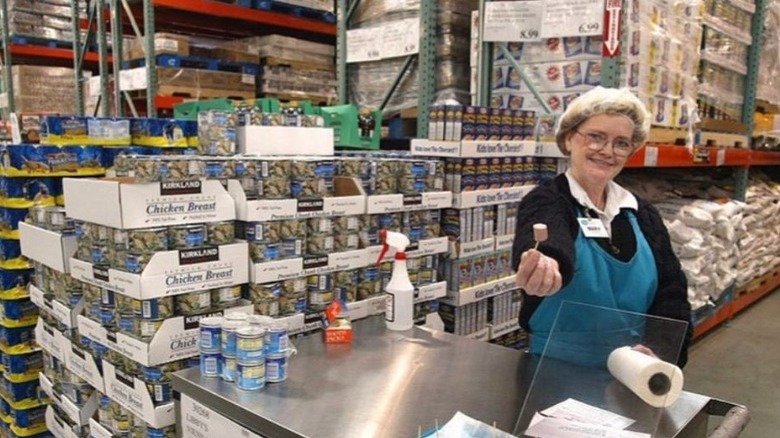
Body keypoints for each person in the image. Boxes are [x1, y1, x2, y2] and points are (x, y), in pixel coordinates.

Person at [511, 87, 692, 367]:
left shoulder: (642, 214)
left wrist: (660, 351)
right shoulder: (548, 200)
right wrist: (546, 262)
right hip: (552, 372)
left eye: (621, 143)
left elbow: (671, 291)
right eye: (596, 137)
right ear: (569, 138)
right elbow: (549, 234)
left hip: (632, 370)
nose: (607, 151)